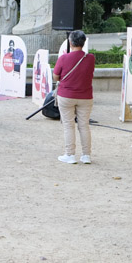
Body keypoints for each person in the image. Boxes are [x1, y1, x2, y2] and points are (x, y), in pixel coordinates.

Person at [53, 30, 95, 164]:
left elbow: (55, 76)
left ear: (70, 43)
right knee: (84, 126)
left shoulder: (63, 58)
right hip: (86, 96)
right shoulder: (91, 58)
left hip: (66, 95)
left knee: (68, 125)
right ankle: (86, 155)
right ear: (84, 43)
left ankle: (70, 154)